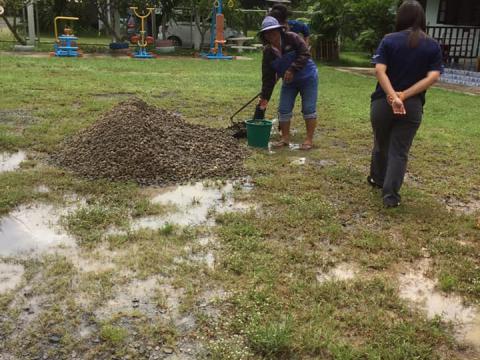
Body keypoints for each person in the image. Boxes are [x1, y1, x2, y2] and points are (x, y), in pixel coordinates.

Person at [369, 0, 443, 208]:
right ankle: (390, 196)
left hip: (383, 102)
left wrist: (392, 97)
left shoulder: (388, 40)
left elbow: (379, 70)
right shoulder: (432, 45)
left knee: (381, 143)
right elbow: (433, 77)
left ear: (400, 17)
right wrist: (404, 96)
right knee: (399, 151)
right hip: (411, 106)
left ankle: (377, 178)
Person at [256, 16, 318, 150]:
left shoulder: (292, 37)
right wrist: (264, 99)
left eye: (273, 30)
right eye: (267, 32)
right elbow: (268, 78)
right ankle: (284, 139)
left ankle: (308, 140)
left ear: (279, 30)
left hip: (308, 77)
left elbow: (305, 53)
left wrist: (292, 69)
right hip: (289, 82)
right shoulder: (268, 52)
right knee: (283, 109)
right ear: (264, 35)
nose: (271, 34)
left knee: (308, 108)